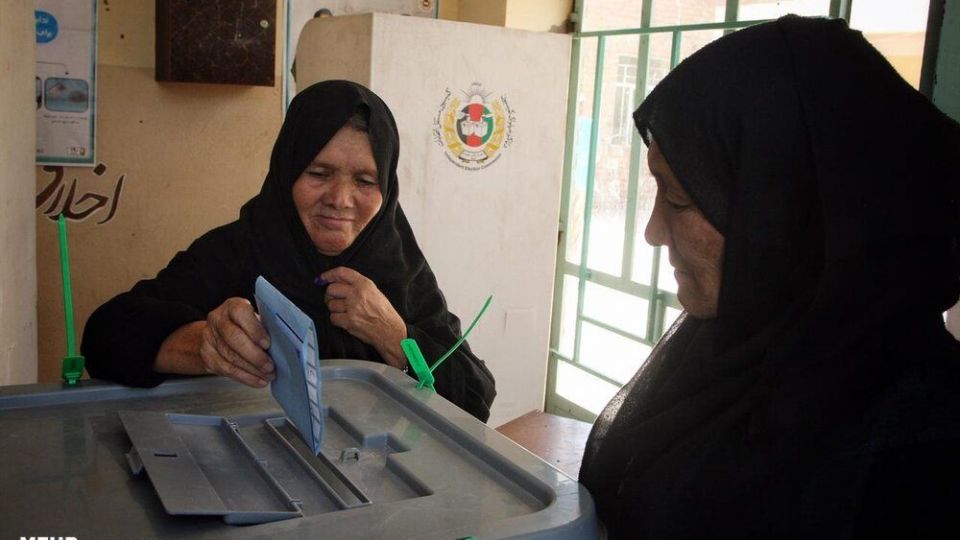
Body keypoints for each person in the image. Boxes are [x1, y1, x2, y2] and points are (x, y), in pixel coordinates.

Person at [579, 15, 960, 538]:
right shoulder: (725, 352)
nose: (652, 232)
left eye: (679, 199)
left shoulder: (921, 455)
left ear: (788, 217)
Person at [82, 80, 497, 422]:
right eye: (319, 173)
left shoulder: (400, 269)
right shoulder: (238, 251)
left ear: (386, 190)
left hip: (378, 475)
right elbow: (104, 336)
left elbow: (476, 399)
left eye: (365, 181)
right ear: (287, 172)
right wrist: (204, 344)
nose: (341, 199)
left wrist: (395, 336)